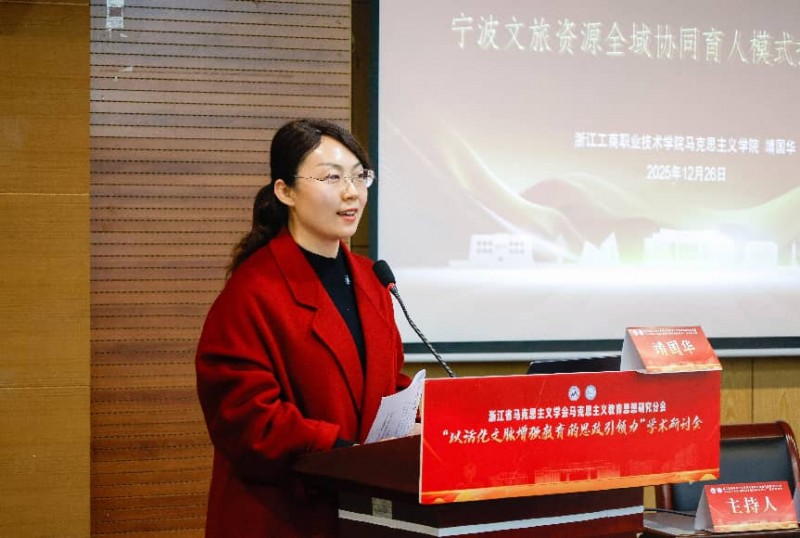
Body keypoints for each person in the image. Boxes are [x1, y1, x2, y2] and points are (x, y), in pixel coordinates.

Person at [195, 118, 412, 537]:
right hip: (283, 516)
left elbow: (389, 382)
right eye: (332, 178)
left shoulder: (372, 281)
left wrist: (416, 421)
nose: (351, 192)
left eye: (359, 176)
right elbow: (246, 419)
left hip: (363, 513)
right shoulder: (252, 292)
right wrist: (341, 451)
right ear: (285, 192)